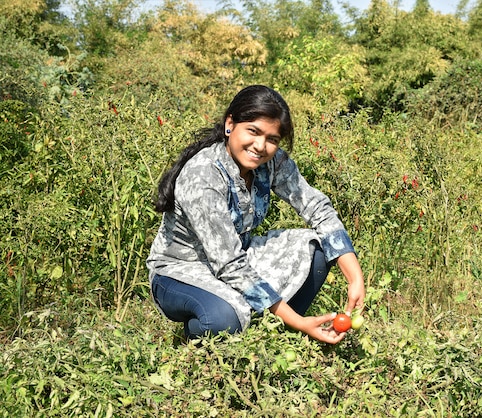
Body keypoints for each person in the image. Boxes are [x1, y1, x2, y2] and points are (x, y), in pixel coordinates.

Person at [146, 85, 365, 345]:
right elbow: (229, 265)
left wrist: (355, 277)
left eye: (272, 139)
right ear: (230, 124)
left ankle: (279, 335)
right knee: (223, 318)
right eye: (253, 131)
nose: (260, 146)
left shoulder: (272, 163)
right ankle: (201, 347)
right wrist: (298, 320)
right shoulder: (203, 175)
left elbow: (317, 208)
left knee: (317, 248)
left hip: (240, 255)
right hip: (181, 271)